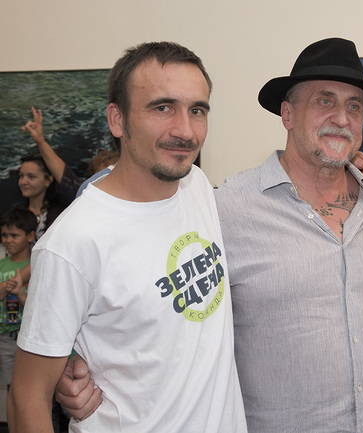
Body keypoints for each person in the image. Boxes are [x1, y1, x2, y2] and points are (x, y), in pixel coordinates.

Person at [56, 37, 363, 433]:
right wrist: (73, 361)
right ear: (287, 114)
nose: (342, 118)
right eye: (324, 101)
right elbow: (134, 276)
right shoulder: (221, 210)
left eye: (354, 107)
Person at [8, 41, 247, 432]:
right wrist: (66, 361)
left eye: (197, 110)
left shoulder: (197, 186)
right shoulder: (73, 242)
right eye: (162, 107)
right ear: (117, 120)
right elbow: (26, 399)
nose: (185, 131)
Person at [21, 107, 119, 202]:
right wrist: (40, 141)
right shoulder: (85, 196)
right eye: (100, 178)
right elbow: (64, 175)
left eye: (111, 178)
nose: (106, 184)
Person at [0, 208, 36, 391]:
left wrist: (20, 292)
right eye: (4, 235)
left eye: (14, 235)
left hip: (29, 336)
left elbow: (36, 309)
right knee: (11, 388)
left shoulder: (36, 266)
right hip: (5, 337)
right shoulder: (1, 265)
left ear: (30, 236)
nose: (8, 240)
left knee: (30, 386)